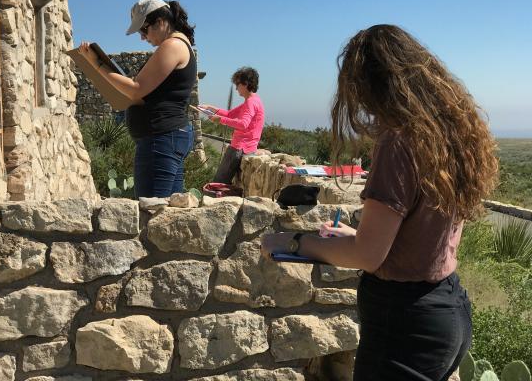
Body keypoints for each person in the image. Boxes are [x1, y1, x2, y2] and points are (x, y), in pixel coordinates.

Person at [260, 25, 499, 381]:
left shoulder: (398, 141)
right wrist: (353, 235)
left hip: (404, 325)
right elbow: (423, 235)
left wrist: (294, 243)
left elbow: (368, 256)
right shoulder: (449, 135)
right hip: (447, 306)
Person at [80, 0, 197, 198]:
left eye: (144, 30)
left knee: (151, 213)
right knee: (168, 213)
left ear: (161, 22)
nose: (143, 37)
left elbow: (136, 89)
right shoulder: (180, 45)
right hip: (167, 138)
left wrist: (96, 64)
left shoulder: (172, 46)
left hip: (161, 140)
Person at [200, 67, 265, 184]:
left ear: (245, 84)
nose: (236, 88)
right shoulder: (254, 100)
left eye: (237, 84)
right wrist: (210, 108)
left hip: (239, 148)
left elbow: (243, 124)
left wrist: (219, 119)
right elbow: (230, 114)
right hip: (247, 148)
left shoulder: (250, 102)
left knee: (218, 183)